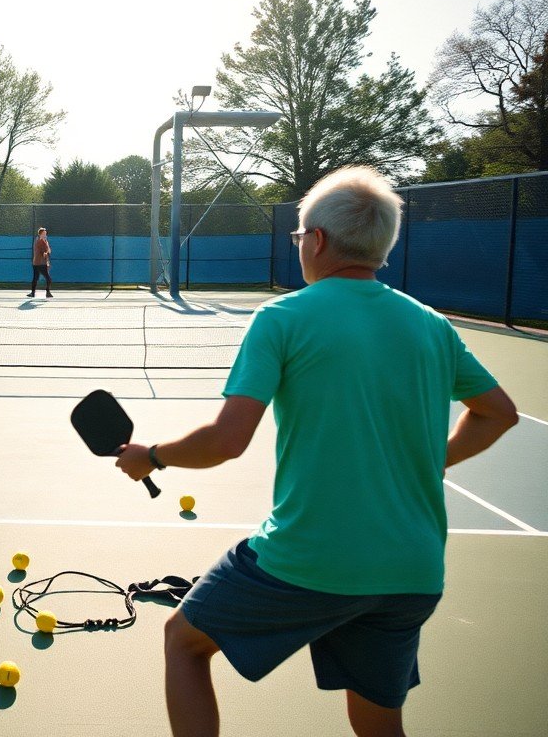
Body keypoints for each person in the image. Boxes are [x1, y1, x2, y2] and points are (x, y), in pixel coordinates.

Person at [114, 166, 518, 737]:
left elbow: (226, 442)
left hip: (307, 562)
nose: (299, 247)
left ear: (319, 241)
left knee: (183, 641)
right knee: (378, 724)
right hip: (413, 570)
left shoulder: (282, 318)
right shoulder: (432, 326)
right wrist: (430, 461)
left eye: (300, 237)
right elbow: (498, 413)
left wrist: (150, 457)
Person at [29, 226, 53, 297]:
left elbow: (49, 251)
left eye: (46, 233)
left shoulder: (44, 241)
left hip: (38, 263)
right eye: (44, 233)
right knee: (48, 278)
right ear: (40, 234)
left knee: (36, 278)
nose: (45, 234)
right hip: (40, 263)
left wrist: (47, 250)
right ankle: (47, 292)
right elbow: (44, 252)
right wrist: (46, 255)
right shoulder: (39, 241)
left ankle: (33, 293)